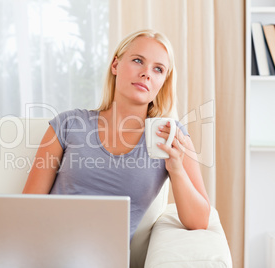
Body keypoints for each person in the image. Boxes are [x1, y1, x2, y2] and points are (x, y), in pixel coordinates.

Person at [22, 29, 210, 240]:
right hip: (46, 249)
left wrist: (176, 170)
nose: (146, 73)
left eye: (158, 69)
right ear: (115, 65)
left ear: (163, 82)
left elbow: (200, 220)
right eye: (138, 60)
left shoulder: (169, 136)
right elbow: (28, 206)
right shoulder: (68, 124)